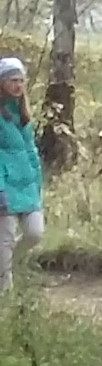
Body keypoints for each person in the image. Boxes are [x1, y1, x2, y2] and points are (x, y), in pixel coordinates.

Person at [0, 57, 40, 299]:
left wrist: (37, 182)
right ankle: (6, 294)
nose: (18, 85)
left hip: (27, 185)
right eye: (12, 80)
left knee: (35, 233)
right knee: (5, 238)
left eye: (21, 80)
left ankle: (5, 267)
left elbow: (30, 150)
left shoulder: (23, 114)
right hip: (5, 185)